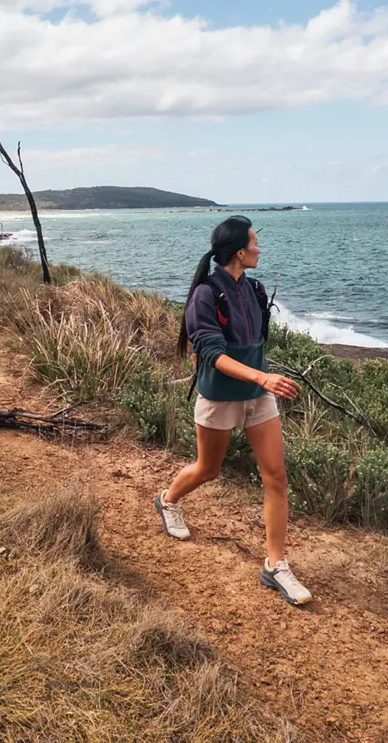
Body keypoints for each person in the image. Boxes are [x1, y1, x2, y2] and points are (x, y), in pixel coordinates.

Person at [152, 215, 312, 606]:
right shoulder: (205, 295)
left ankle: (276, 566)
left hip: (258, 396)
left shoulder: (254, 290)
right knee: (208, 469)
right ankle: (168, 500)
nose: (259, 248)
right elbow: (212, 353)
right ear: (239, 252)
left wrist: (261, 382)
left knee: (275, 476)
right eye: (254, 242)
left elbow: (254, 340)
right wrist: (263, 378)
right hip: (221, 395)